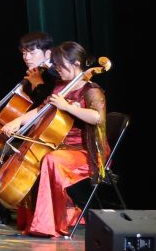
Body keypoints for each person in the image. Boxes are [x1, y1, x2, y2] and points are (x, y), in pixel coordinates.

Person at [12, 41, 107, 237]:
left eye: (61, 65)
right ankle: (32, 219)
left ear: (76, 63)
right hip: (59, 145)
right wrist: (18, 121)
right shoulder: (61, 87)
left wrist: (68, 107)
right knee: (32, 156)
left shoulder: (91, 89)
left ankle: (47, 224)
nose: (57, 69)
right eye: (55, 64)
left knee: (51, 160)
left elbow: (98, 118)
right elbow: (42, 109)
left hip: (83, 151)